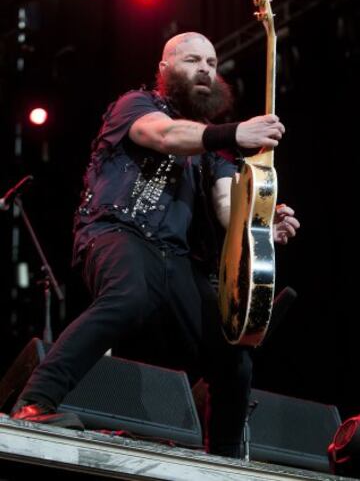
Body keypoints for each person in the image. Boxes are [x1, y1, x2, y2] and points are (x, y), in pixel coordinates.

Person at [10, 32, 300, 458]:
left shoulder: (215, 148)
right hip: (116, 231)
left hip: (175, 256)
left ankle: (225, 459)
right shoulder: (137, 105)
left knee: (233, 350)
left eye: (212, 62)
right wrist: (236, 131)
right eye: (192, 60)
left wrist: (261, 220)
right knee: (128, 296)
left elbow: (226, 207)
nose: (205, 68)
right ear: (165, 71)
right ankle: (34, 402)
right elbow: (164, 136)